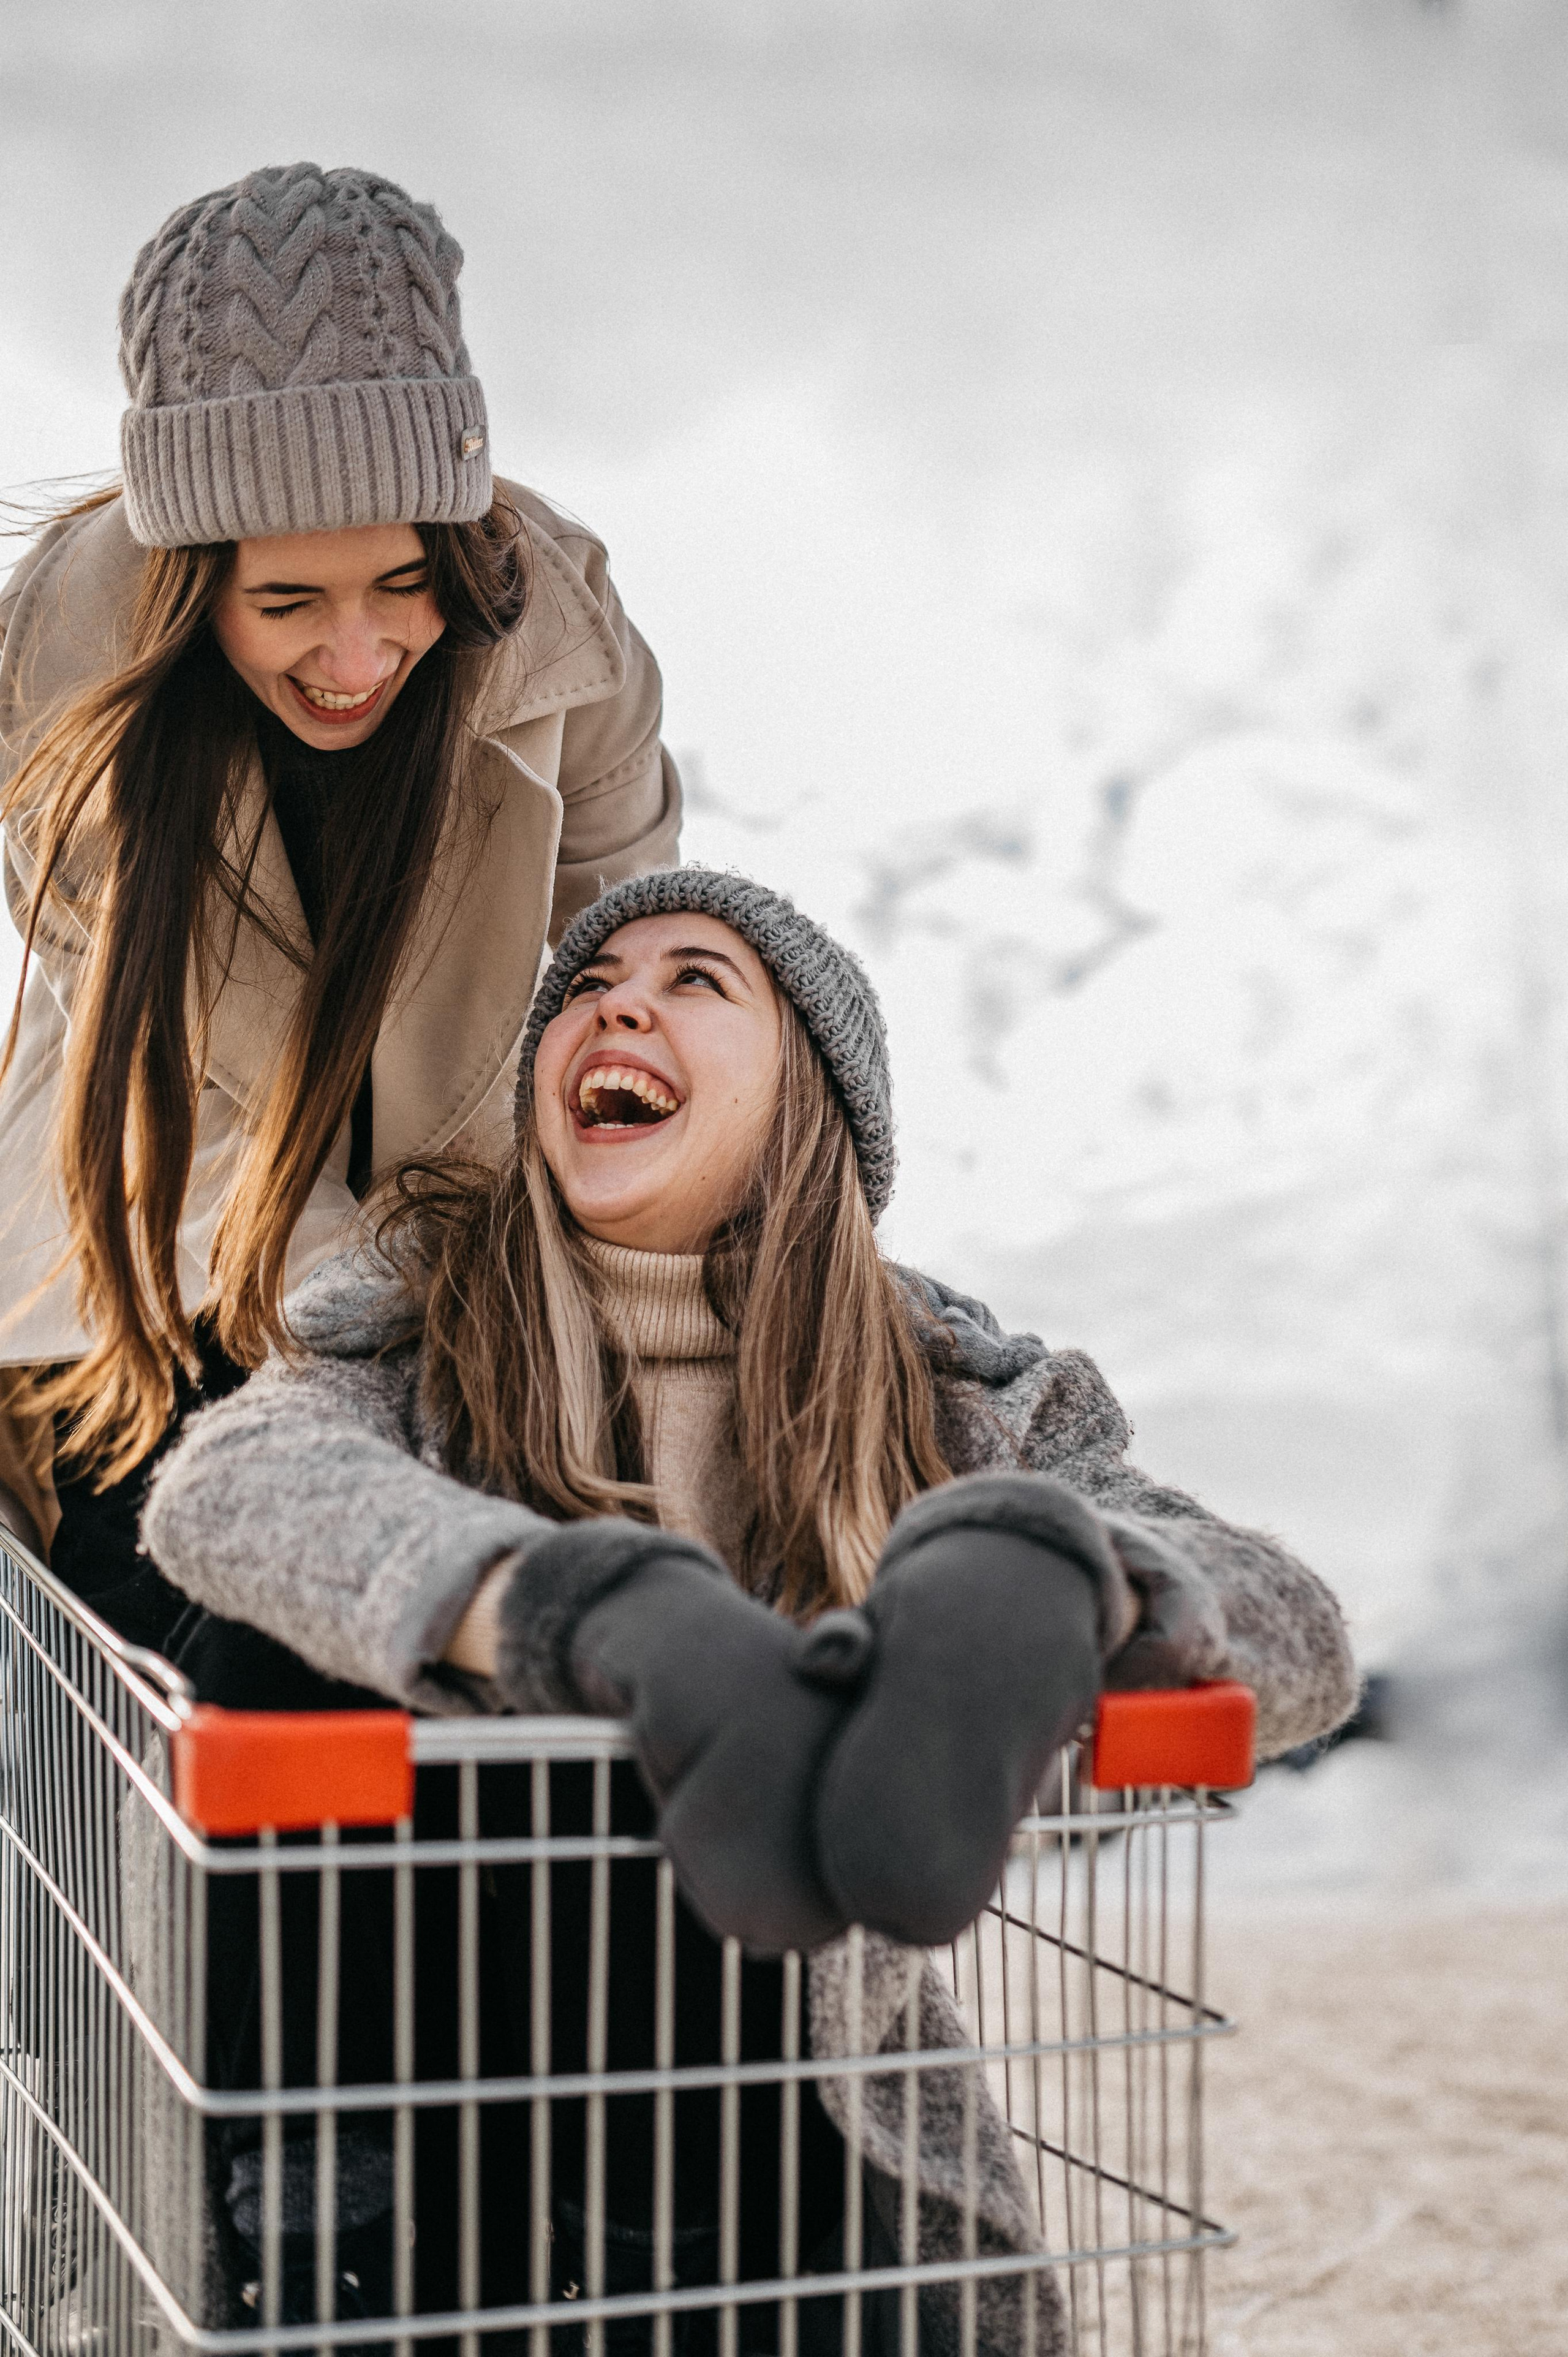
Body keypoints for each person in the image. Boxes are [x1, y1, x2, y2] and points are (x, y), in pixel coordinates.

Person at [144, 867, 1359, 2351]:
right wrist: (584, 1611)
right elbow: (232, 1487)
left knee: (720, 1836)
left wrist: (1049, 1570)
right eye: (586, 988)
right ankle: (338, 2205)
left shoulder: (951, 1398)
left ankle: (655, 2268)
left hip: (743, 2113)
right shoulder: (411, 1328)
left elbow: (1294, 1625)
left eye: (695, 979)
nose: (615, 1001)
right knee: (279, 1634)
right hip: (416, 2075)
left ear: (811, 1098)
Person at [0, 161, 680, 1625]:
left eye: (401, 585)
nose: (357, 657)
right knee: (207, 1678)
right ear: (191, 589)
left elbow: (630, 991)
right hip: (160, 1257)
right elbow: (192, 1084)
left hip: (466, 1279)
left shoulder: (569, 642)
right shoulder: (57, 672)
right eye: (286, 604)